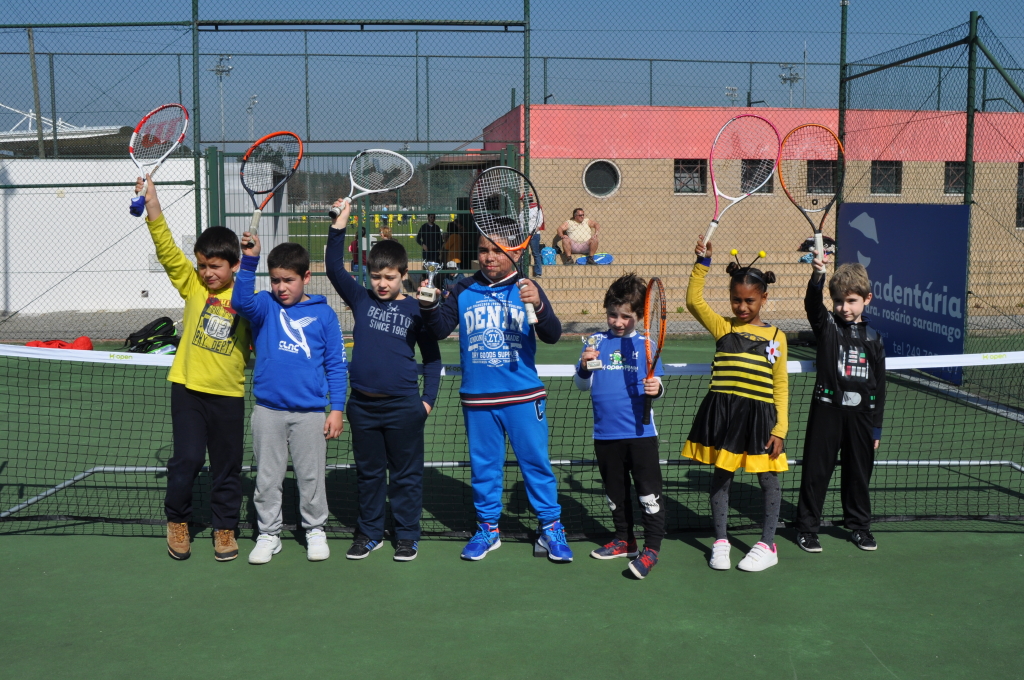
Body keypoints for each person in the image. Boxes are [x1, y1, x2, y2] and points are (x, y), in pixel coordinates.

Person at [417, 230, 570, 563]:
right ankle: (488, 529)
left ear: (513, 252)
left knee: (536, 465)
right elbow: (441, 328)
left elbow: (553, 334)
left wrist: (539, 304)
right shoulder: (463, 288)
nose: (489, 257)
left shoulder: (526, 286)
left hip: (523, 397)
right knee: (484, 468)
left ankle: (551, 528)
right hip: (478, 400)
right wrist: (428, 307)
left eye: (497, 251)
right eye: (484, 251)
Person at [136, 175, 252, 562]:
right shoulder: (193, 286)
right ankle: (178, 521)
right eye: (202, 265)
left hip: (228, 394)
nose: (207, 273)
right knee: (186, 460)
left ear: (234, 265)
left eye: (215, 266)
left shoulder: (247, 296)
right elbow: (167, 248)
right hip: (187, 388)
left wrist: (251, 259)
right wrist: (152, 203)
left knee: (226, 466)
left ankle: (224, 529)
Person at [325, 199, 442, 562]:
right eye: (376, 276)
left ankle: (407, 536)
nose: (381, 283)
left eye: (389, 277)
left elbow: (433, 359)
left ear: (404, 275)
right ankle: (370, 533)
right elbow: (332, 267)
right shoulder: (360, 299)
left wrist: (427, 402)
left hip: (404, 407)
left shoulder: (416, 309)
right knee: (370, 475)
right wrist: (338, 225)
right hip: (361, 406)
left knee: (406, 477)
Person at [231, 236, 348, 564]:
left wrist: (336, 409)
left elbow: (336, 365)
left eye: (289, 280)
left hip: (311, 413)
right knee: (267, 476)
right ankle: (269, 533)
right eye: (276, 280)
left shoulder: (324, 315)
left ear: (306, 277)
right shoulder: (264, 305)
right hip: (268, 411)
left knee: (311, 476)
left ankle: (315, 529)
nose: (282, 287)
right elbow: (240, 302)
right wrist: (249, 259)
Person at [683, 239, 789, 572]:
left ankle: (768, 544)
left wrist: (780, 429)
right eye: (735, 300)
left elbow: (781, 386)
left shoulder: (776, 336)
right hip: (723, 416)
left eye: (749, 301)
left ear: (764, 298)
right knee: (721, 477)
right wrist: (703, 262)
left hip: (760, 420)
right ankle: (721, 542)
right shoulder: (723, 327)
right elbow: (693, 301)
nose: (742, 307)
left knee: (769, 481)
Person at [575, 273, 666, 579]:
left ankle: (651, 548)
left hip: (641, 435)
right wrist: (584, 368)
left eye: (625, 316)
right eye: (612, 314)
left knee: (648, 494)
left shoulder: (647, 344)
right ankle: (624, 540)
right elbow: (581, 385)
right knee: (615, 493)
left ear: (640, 316)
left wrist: (657, 389)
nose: (617, 322)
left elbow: (658, 384)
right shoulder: (595, 342)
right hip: (605, 435)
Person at [795, 258, 885, 553]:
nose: (844, 307)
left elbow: (879, 387)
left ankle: (859, 526)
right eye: (838, 301)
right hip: (826, 411)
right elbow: (812, 305)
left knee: (858, 472)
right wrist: (817, 277)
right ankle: (808, 528)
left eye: (851, 301)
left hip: (861, 416)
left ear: (866, 300)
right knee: (816, 471)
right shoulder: (827, 328)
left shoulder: (874, 339)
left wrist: (876, 428)